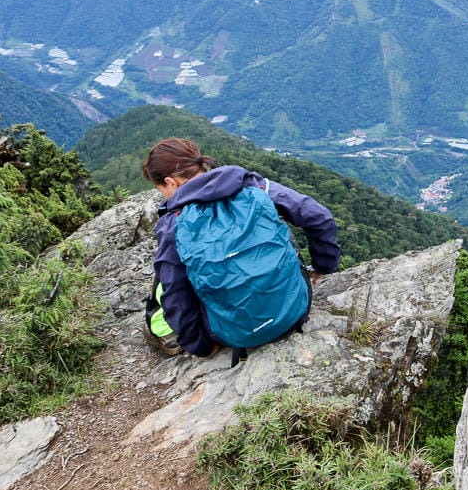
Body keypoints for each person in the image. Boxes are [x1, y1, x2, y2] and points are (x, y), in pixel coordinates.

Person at [141, 137, 341, 358]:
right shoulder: (253, 186)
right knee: (276, 228)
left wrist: (200, 346)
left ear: (171, 182)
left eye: (161, 189)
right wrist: (324, 265)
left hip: (233, 334)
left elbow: (175, 292)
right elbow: (319, 216)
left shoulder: (173, 223)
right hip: (294, 309)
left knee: (166, 276)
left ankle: (168, 334)